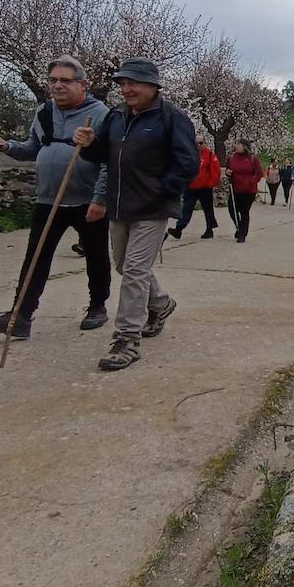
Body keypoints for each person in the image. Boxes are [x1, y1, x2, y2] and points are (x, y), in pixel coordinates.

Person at [0, 56, 113, 341]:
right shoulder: (44, 112)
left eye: (65, 80)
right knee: (35, 258)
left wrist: (100, 198)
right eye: (53, 80)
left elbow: (108, 161)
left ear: (83, 85)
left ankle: (97, 306)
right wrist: (8, 146)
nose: (58, 86)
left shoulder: (101, 114)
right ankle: (20, 316)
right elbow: (33, 148)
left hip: (87, 199)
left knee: (96, 255)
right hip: (48, 198)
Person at [73, 59, 198, 371]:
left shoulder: (172, 117)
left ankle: (126, 340)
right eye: (122, 83)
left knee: (135, 270)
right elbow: (103, 154)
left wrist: (162, 190)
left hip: (153, 208)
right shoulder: (116, 116)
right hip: (119, 205)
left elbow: (188, 163)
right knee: (124, 265)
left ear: (153, 86)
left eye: (133, 83)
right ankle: (161, 303)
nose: (126, 89)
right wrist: (90, 145)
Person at [170, 131, 222, 240]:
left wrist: (210, 184)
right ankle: (178, 229)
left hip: (205, 188)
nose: (198, 145)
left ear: (205, 143)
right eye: (196, 143)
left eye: (201, 143)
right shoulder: (189, 154)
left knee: (208, 209)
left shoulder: (210, 154)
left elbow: (215, 171)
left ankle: (209, 229)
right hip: (191, 187)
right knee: (186, 209)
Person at [224, 138, 264, 242]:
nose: (236, 146)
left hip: (248, 190)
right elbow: (228, 170)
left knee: (244, 211)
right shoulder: (231, 157)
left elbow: (259, 173)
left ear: (245, 146)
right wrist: (228, 173)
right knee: (232, 210)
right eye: (236, 144)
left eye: (239, 144)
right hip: (235, 188)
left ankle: (242, 234)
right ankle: (239, 227)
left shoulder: (252, 158)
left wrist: (252, 181)